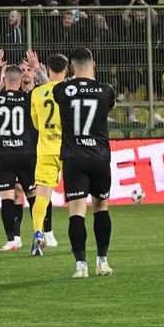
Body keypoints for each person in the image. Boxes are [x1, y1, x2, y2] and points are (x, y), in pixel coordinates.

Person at [53, 47, 117, 278]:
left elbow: (56, 91)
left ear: (71, 67)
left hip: (74, 157)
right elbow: (109, 106)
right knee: (101, 206)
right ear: (94, 65)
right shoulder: (106, 90)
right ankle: (103, 261)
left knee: (76, 211)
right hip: (99, 156)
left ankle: (81, 266)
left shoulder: (63, 89)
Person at [0, 49, 41, 252]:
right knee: (33, 195)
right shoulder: (29, 97)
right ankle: (39, 233)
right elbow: (49, 88)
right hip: (26, 153)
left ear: (5, 79)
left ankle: (12, 240)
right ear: (21, 80)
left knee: (7, 198)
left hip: (3, 155)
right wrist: (37, 69)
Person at [28, 51, 68, 256]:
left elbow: (36, 123)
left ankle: (38, 233)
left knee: (42, 196)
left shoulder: (37, 93)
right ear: (66, 70)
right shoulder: (70, 91)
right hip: (69, 150)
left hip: (45, 150)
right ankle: (77, 241)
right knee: (77, 197)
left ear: (48, 69)